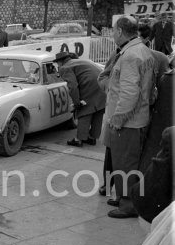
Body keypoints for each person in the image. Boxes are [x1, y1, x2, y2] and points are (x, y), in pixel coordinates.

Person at [98, 15, 155, 219]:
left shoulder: (131, 55)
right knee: (126, 162)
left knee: (125, 163)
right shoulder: (140, 50)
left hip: (129, 122)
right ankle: (125, 199)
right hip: (137, 118)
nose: (112, 34)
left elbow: (129, 93)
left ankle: (128, 204)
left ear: (120, 32)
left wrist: (118, 119)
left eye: (113, 31)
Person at [54, 51, 106, 147]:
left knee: (84, 111)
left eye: (57, 63)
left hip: (89, 86)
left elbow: (73, 86)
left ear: (60, 62)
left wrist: (77, 102)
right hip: (103, 84)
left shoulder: (65, 67)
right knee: (98, 111)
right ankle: (92, 137)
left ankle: (79, 139)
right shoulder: (81, 61)